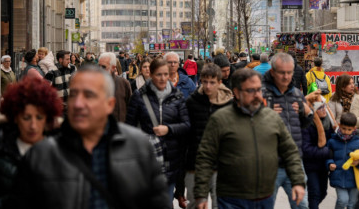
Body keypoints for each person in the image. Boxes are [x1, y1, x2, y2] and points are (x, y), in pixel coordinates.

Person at [12, 65, 169, 209]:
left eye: (89, 95)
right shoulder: (41, 155)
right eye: (73, 94)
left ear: (109, 104)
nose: (78, 103)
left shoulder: (139, 147)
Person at [194, 68, 306, 209]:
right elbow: (205, 158)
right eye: (250, 91)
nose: (257, 95)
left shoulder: (271, 118)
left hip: (265, 197)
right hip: (231, 198)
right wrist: (201, 194)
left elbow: (290, 152)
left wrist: (298, 182)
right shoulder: (220, 119)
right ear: (236, 92)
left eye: (259, 89)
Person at [0, 77, 62, 208]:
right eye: (26, 117)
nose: (33, 125)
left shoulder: (63, 153)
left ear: (47, 119)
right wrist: (13, 201)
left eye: (39, 117)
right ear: (15, 118)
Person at [125, 58, 190, 202]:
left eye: (165, 74)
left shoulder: (177, 96)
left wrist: (169, 129)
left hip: (170, 161)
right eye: (158, 74)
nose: (162, 78)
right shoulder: (139, 96)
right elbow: (128, 128)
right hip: (146, 160)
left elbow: (186, 125)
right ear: (151, 74)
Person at [262, 52, 313, 209]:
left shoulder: (296, 94)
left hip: (294, 162)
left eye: (289, 72)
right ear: (272, 72)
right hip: (270, 164)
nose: (286, 77)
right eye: (282, 73)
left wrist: (307, 113)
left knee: (302, 205)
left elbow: (303, 125)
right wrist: (265, 113)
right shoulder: (261, 93)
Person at [184, 63, 233, 209]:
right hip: (195, 165)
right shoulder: (192, 102)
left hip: (221, 165)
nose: (208, 86)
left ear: (220, 82)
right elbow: (186, 136)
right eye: (205, 81)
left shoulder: (228, 103)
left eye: (212, 82)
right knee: (195, 204)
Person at [327, 112, 359, 209]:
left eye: (349, 130)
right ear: (339, 125)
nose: (346, 132)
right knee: (342, 200)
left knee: (352, 204)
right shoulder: (332, 141)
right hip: (339, 177)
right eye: (343, 128)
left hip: (354, 179)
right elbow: (327, 157)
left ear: (354, 129)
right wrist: (330, 163)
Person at [302, 101, 335, 209]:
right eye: (320, 108)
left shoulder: (328, 123)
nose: (324, 109)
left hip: (323, 165)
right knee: (314, 194)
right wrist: (326, 152)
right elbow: (306, 149)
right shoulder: (307, 125)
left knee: (323, 193)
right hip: (310, 166)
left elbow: (333, 140)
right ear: (313, 112)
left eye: (324, 106)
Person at [98, 52, 132, 122]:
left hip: (120, 128)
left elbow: (130, 108)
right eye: (99, 66)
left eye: (104, 67)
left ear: (113, 68)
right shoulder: (92, 84)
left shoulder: (123, 83)